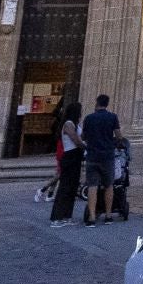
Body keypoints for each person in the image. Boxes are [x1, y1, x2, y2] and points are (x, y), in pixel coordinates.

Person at [79, 94, 121, 226]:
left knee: (92, 186)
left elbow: (83, 136)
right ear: (107, 104)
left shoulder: (89, 118)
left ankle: (91, 217)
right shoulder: (112, 117)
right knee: (109, 185)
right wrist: (113, 143)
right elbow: (119, 136)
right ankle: (108, 216)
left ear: (97, 103)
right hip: (108, 156)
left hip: (92, 155)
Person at [47, 102, 83, 226]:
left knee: (72, 187)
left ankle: (67, 216)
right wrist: (86, 146)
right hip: (70, 156)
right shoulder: (68, 124)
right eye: (80, 110)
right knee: (65, 187)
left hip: (76, 156)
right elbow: (76, 140)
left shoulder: (75, 124)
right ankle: (56, 218)